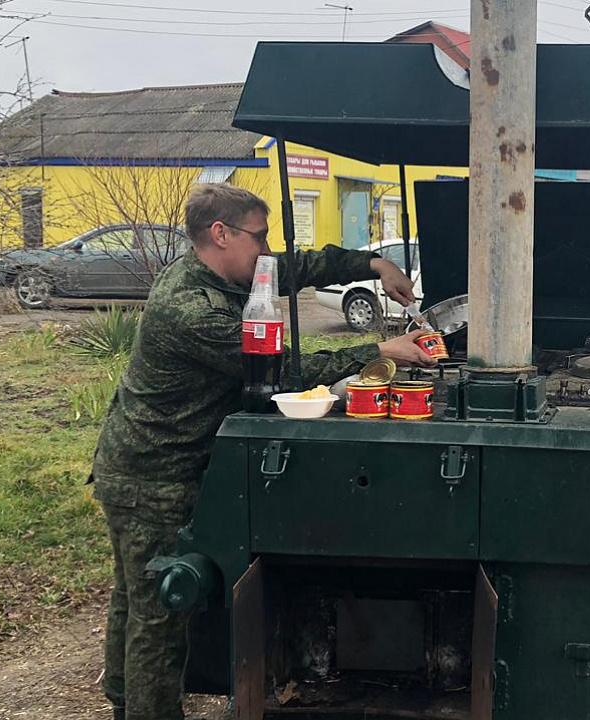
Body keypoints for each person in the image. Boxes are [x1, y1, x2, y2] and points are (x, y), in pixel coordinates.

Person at [91, 184, 436, 720]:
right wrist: (378, 353)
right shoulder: (189, 309)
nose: (267, 246)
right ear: (220, 234)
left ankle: (121, 701)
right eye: (259, 235)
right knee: (160, 612)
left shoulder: (231, 271)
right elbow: (276, 370)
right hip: (152, 474)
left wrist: (374, 264)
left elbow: (300, 264)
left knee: (135, 597)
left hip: (151, 465)